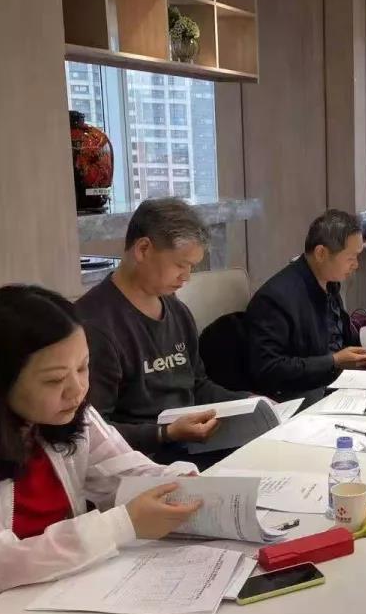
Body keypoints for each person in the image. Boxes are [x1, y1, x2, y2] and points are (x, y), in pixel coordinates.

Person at [0, 285, 202, 594]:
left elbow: (123, 472)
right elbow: (2, 564)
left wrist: (180, 484)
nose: (77, 390)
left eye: (83, 367)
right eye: (54, 379)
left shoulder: (72, 414)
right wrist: (119, 526)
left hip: (67, 586)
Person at [75, 198, 247, 464]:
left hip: (190, 447)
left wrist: (248, 402)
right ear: (143, 249)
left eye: (191, 267)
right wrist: (164, 433)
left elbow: (197, 385)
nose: (186, 277)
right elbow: (92, 433)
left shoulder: (177, 311)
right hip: (141, 461)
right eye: (180, 265)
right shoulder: (94, 325)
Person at [245, 210, 366, 404]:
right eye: (351, 257)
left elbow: (342, 339)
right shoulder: (276, 298)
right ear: (321, 253)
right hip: (301, 394)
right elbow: (268, 368)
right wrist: (334, 361)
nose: (356, 265)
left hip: (338, 382)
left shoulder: (330, 284)